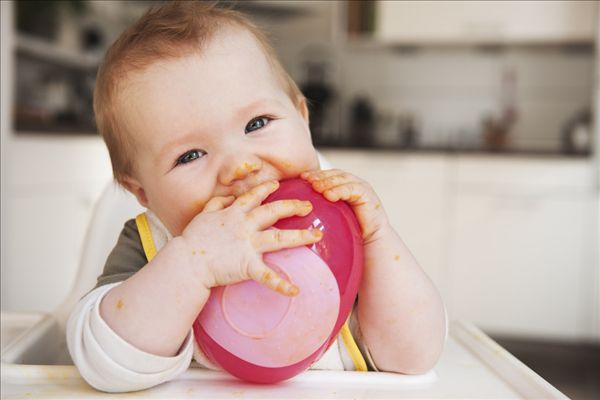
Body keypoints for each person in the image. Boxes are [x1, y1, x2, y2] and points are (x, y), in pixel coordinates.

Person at [67, 1, 446, 393]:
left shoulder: (346, 227)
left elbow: (414, 356)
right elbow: (102, 364)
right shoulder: (152, 247)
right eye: (190, 155)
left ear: (303, 118)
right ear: (143, 192)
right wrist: (194, 266)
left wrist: (378, 239)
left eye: (257, 123)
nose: (239, 167)